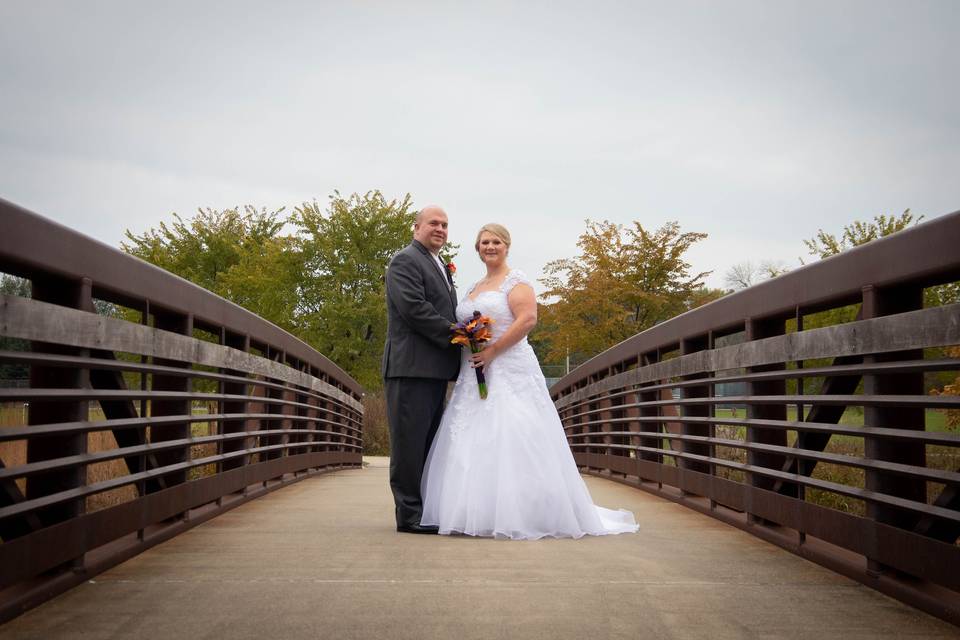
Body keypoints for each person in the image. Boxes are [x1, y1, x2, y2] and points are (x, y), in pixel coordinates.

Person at [420, 223, 639, 539]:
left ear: (506, 246)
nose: (490, 247)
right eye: (484, 242)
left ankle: (524, 512)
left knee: (514, 431)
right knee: (473, 435)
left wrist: (493, 350)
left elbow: (528, 319)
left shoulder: (516, 281)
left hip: (509, 367)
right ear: (477, 248)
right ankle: (473, 510)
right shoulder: (474, 286)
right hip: (475, 370)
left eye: (496, 241)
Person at [383, 205, 460, 534]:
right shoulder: (405, 261)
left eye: (444, 224)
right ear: (416, 228)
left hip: (434, 370)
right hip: (410, 368)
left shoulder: (440, 264)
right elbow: (415, 309)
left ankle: (425, 510)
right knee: (409, 446)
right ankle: (409, 515)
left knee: (428, 444)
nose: (440, 229)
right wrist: (457, 334)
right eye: (433, 223)